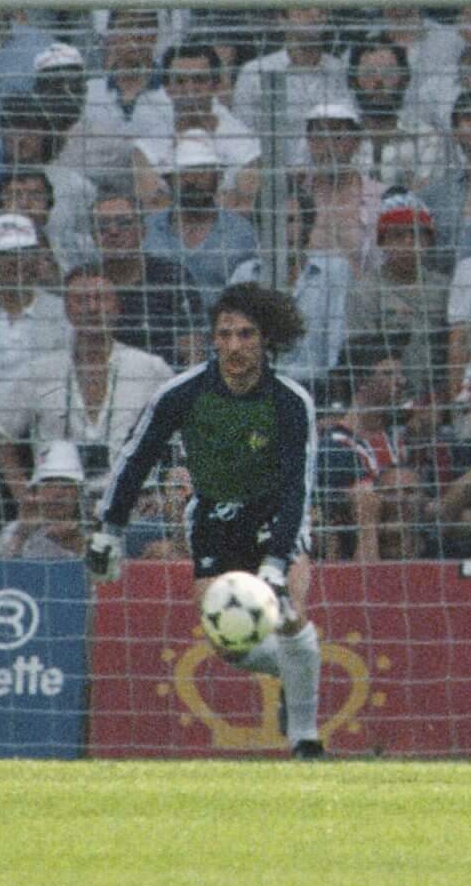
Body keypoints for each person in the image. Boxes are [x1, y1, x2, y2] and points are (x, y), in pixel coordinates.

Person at [89, 282, 326, 758]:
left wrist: (277, 560)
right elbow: (136, 459)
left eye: (246, 335)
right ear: (212, 339)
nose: (235, 346)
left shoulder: (289, 401)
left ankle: (305, 737)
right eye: (225, 335)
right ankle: (290, 671)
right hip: (214, 516)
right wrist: (109, 530)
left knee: (289, 616)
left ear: (265, 340)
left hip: (275, 514)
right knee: (230, 641)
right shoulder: (183, 392)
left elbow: (299, 485)